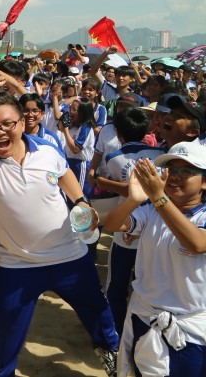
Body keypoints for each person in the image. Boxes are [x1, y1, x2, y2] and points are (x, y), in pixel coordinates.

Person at [0, 49, 119, 377]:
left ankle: (112, 352)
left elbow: (65, 174)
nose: (0, 132)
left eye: (7, 124)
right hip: (18, 266)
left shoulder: (46, 150)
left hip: (70, 257)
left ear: (22, 122)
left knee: (98, 312)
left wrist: (81, 201)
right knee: (6, 336)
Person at [105, 142, 206, 376]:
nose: (175, 177)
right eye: (172, 171)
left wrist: (159, 197)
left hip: (189, 331)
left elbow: (197, 243)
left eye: (187, 172)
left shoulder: (192, 214)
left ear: (204, 182)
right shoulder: (152, 211)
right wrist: (133, 199)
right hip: (144, 316)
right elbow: (113, 225)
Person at [96, 108, 165, 337]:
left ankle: (116, 330)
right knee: (143, 284)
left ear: (117, 132)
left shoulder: (113, 158)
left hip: (126, 225)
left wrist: (102, 182)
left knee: (116, 285)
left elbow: (110, 183)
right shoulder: (161, 154)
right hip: (153, 228)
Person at [59, 98, 97, 200]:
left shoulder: (86, 128)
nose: (71, 112)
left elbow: (75, 149)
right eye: (70, 108)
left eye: (74, 110)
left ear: (83, 112)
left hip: (80, 165)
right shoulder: (73, 126)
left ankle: (84, 215)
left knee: (79, 196)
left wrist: (65, 130)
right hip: (69, 162)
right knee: (69, 194)